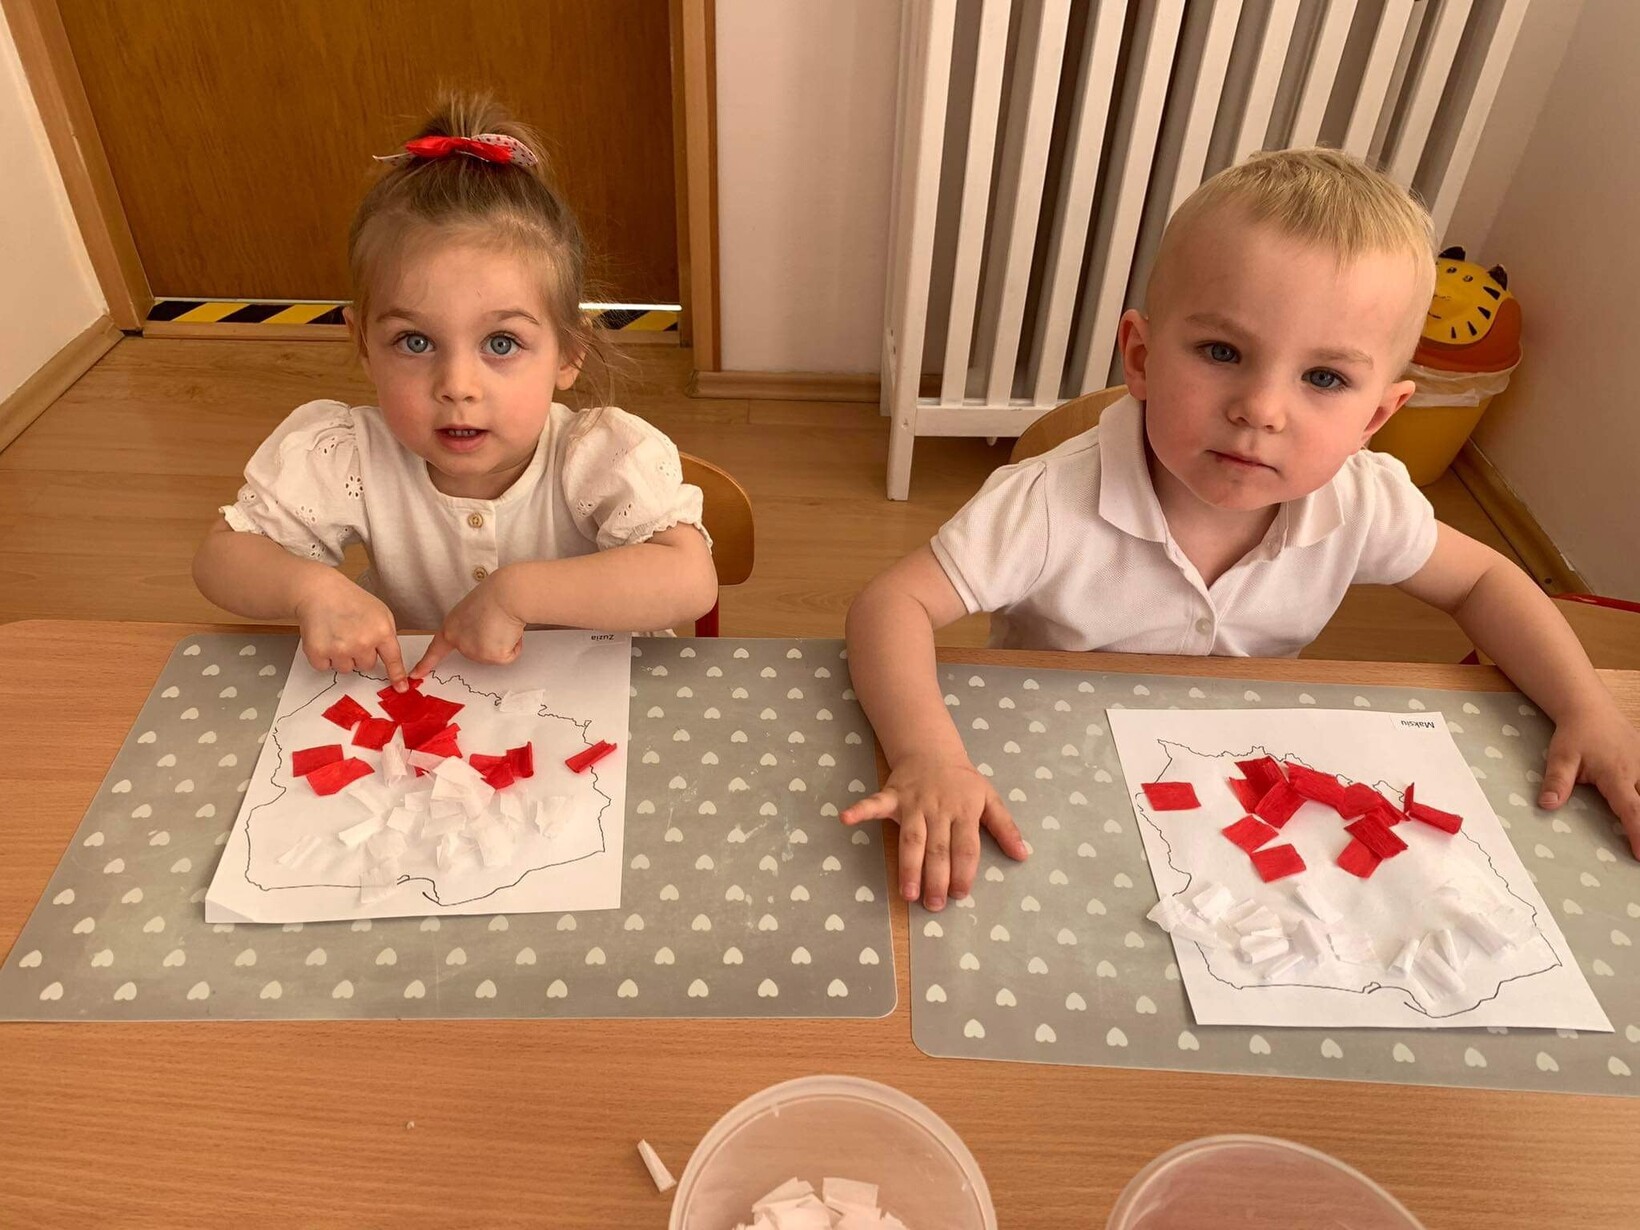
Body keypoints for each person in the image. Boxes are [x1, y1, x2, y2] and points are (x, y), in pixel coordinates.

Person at [843, 147, 1640, 910]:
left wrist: (1588, 708)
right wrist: (929, 754)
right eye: (1222, 351)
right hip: (1050, 777)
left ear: (1377, 414)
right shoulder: (1051, 503)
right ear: (1141, 357)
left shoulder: (1361, 501)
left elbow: (1484, 580)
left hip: (1227, 796)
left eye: (1324, 377)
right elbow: (890, 606)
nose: (1261, 408)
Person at [194, 94, 717, 687]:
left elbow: (689, 581)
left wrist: (518, 593)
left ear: (570, 351)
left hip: (599, 708)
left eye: (501, 343)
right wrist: (307, 589)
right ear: (363, 343)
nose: (457, 387)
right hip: (432, 712)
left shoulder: (600, 455)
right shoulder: (348, 455)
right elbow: (220, 559)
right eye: (415, 342)